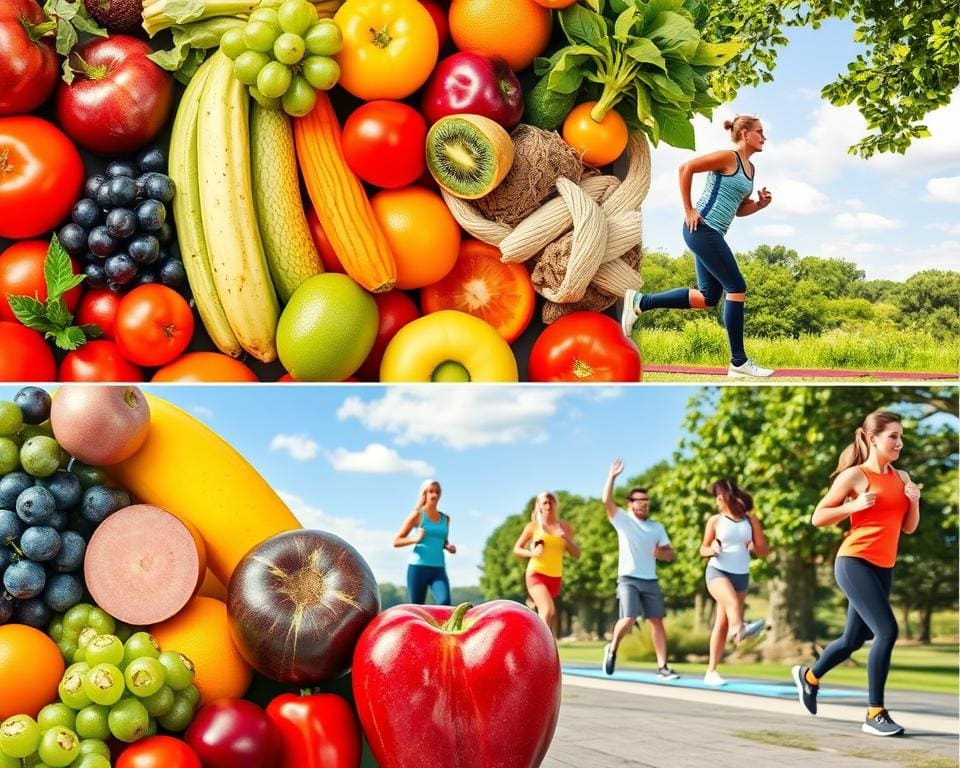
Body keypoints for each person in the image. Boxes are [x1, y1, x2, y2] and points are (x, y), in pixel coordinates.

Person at [792, 411, 921, 737]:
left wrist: (914, 502)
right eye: (893, 436)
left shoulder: (903, 477)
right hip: (854, 561)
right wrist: (854, 506)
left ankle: (809, 677)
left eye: (901, 436)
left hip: (883, 567)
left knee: (854, 639)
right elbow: (818, 517)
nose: (899, 443)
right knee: (887, 631)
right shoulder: (855, 476)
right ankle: (875, 713)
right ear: (872, 438)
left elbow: (908, 527)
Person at [620, 115, 775, 378]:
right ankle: (738, 362)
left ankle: (640, 302)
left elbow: (737, 210)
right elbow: (686, 168)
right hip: (702, 229)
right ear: (745, 134)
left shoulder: (750, 170)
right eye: (760, 132)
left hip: (713, 234)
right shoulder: (729, 157)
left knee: (707, 298)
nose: (764, 137)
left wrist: (759, 205)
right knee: (737, 287)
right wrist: (689, 209)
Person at [600, 459, 680, 680]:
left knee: (657, 622)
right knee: (628, 618)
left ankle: (663, 667)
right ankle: (612, 648)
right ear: (630, 504)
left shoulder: (657, 528)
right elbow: (606, 500)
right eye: (639, 501)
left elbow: (671, 554)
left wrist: (662, 554)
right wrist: (612, 477)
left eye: (646, 501)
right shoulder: (623, 521)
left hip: (650, 580)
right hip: (628, 579)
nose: (644, 504)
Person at [699, 478, 769, 686]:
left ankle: (711, 672)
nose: (717, 501)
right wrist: (712, 550)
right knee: (731, 603)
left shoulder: (750, 520)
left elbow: (764, 551)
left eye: (719, 496)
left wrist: (753, 548)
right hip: (717, 571)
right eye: (716, 497)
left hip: (741, 575)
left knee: (721, 624)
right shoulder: (715, 520)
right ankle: (741, 628)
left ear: (728, 495)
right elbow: (703, 548)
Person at [512, 491, 580, 638]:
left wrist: (566, 539)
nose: (548, 505)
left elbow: (576, 554)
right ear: (540, 506)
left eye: (551, 502)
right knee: (548, 610)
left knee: (547, 611)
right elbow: (516, 549)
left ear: (556, 505)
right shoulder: (533, 527)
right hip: (536, 573)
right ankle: (542, 645)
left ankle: (532, 608)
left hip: (555, 577)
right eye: (545, 502)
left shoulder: (565, 527)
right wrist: (532, 553)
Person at [393, 479, 457, 605]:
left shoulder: (445, 519)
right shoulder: (417, 515)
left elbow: (442, 540)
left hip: (438, 568)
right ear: (424, 494)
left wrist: (448, 546)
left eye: (437, 492)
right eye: (431, 491)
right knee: (417, 607)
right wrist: (415, 539)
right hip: (418, 567)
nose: (434, 495)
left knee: (445, 603)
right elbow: (397, 541)